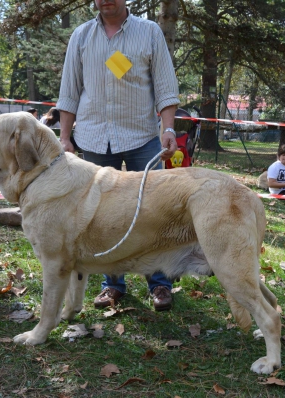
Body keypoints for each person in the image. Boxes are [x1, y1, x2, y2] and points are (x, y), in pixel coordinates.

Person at [56, 0, 179, 311]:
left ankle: (160, 284)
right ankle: (112, 284)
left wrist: (168, 129)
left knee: (156, 211)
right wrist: (66, 138)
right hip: (94, 138)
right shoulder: (81, 36)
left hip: (142, 137)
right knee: (100, 217)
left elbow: (165, 87)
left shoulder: (149, 32)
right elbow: (69, 92)